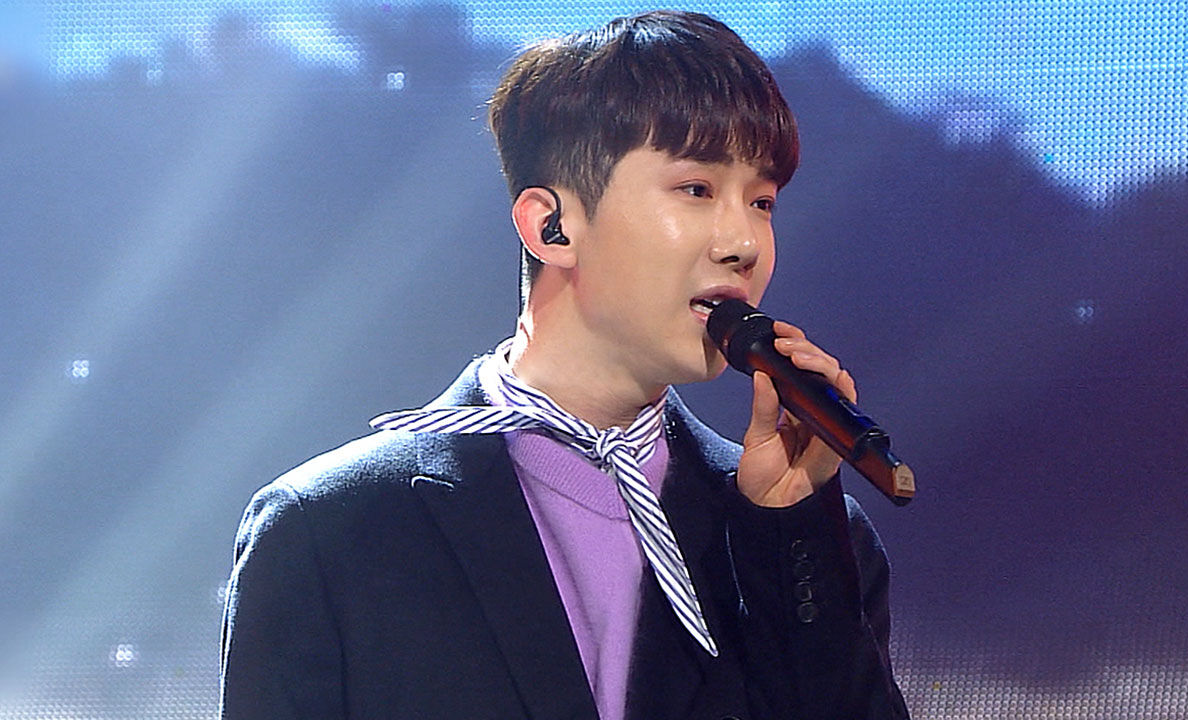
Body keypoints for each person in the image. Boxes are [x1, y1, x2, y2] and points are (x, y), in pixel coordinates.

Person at [218, 10, 910, 720]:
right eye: (697, 189)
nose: (745, 243)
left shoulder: (808, 539)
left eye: (761, 201)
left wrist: (791, 530)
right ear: (552, 226)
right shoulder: (332, 529)